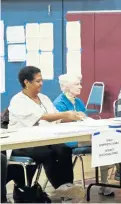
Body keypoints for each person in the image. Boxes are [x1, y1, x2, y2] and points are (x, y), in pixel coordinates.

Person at [8, 66, 85, 201]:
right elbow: (42, 117)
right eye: (38, 81)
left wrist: (75, 116)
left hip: (46, 140)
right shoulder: (18, 101)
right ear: (27, 82)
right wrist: (66, 114)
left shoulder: (44, 98)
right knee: (47, 153)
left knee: (64, 148)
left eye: (41, 80)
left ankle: (67, 186)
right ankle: (61, 188)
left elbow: (56, 116)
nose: (41, 84)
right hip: (23, 145)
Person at [53, 74, 116, 196]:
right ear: (67, 87)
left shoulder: (79, 102)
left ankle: (105, 183)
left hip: (84, 136)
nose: (81, 87)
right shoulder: (59, 103)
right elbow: (60, 126)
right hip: (68, 140)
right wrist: (75, 118)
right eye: (77, 84)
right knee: (102, 141)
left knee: (104, 141)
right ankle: (114, 174)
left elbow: (85, 121)